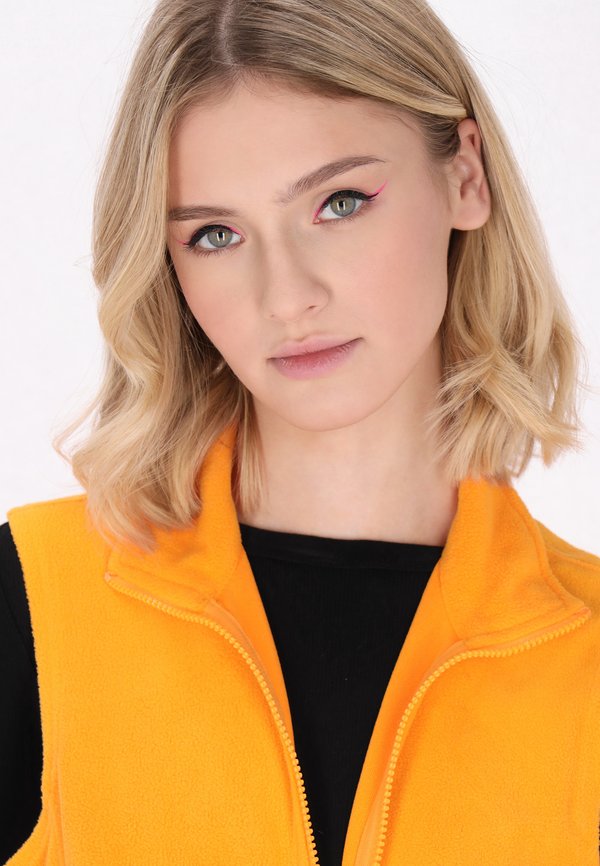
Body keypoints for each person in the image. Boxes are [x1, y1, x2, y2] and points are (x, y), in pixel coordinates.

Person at [1, 0, 599, 863]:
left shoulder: (585, 653)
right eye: (215, 234)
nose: (286, 297)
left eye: (339, 203)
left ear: (466, 176)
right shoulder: (36, 609)